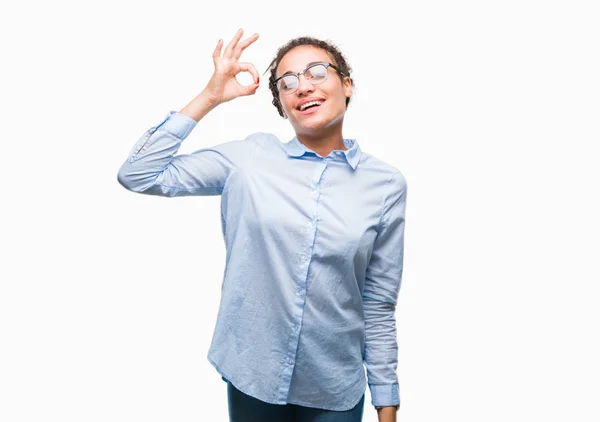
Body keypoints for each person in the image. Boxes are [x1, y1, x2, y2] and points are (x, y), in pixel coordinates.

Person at [117, 28, 407, 422]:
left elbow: (377, 302)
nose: (303, 87)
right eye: (287, 83)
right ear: (283, 105)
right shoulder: (249, 159)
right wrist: (210, 97)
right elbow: (139, 173)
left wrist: (386, 403)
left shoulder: (385, 185)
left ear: (347, 84)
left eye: (317, 73)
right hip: (253, 375)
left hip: (334, 386)